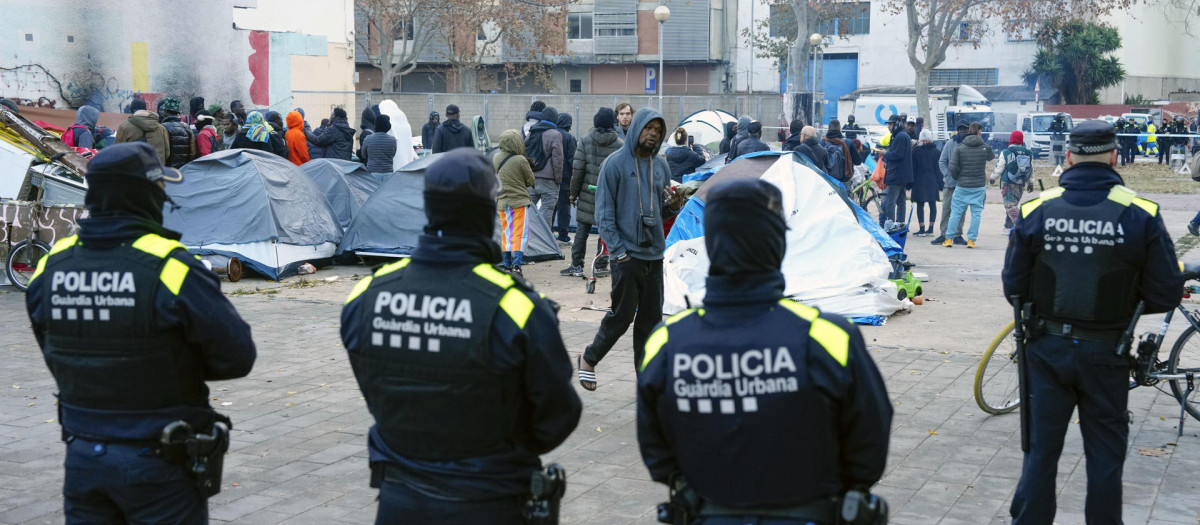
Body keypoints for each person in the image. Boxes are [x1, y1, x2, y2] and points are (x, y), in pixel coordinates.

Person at [340, 148, 581, 524]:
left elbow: (373, 382)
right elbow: (558, 415)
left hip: (399, 499)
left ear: (429, 207)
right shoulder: (514, 306)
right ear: (487, 212)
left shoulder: (368, 295)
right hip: (489, 501)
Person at [637, 178, 893, 525]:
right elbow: (869, 444)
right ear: (777, 243)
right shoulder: (828, 337)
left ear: (712, 242)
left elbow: (656, 449)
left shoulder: (667, 342)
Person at [25, 142, 256, 524]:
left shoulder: (51, 264)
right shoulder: (172, 266)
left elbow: (50, 344)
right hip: (158, 461)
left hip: (83, 455)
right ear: (148, 195)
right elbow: (237, 356)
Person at [1003, 120, 1181, 524]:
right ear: (1115, 156)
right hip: (1107, 350)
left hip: (1045, 350)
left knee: (1040, 453)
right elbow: (1166, 292)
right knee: (1105, 458)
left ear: (1067, 157)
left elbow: (1012, 285)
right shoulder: (1141, 212)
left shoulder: (1036, 208)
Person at [577, 108, 685, 391]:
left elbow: (658, 212)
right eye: (649, 128)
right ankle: (588, 358)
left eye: (658, 131)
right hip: (626, 256)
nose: (653, 135)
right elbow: (604, 213)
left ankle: (646, 383)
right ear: (637, 128)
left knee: (650, 322)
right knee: (622, 315)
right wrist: (618, 252)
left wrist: (672, 206)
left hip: (655, 255)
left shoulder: (661, 166)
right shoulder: (614, 164)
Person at [563, 108, 623, 278]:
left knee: (582, 228)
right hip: (609, 195)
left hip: (587, 193)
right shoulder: (619, 144)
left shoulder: (586, 140)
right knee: (605, 229)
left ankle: (576, 265)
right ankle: (601, 265)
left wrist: (573, 194)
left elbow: (578, 170)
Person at [943, 122, 994, 248]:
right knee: (976, 214)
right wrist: (984, 144)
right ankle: (971, 240)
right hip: (978, 186)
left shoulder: (960, 148)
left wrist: (956, 177)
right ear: (979, 132)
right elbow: (991, 157)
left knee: (955, 212)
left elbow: (952, 166)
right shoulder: (984, 146)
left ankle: (949, 238)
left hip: (962, 185)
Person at [495, 130, 537, 274]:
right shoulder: (520, 159)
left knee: (506, 233)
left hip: (501, 202)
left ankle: (506, 265)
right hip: (519, 202)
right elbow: (531, 180)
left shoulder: (495, 158)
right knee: (519, 233)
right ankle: (517, 265)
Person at [525, 107, 564, 231]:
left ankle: (527, 239)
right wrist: (558, 180)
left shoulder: (532, 131)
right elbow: (558, 160)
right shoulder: (555, 134)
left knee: (528, 209)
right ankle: (544, 242)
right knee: (546, 210)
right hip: (549, 180)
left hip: (531, 178)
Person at [931, 123, 969, 245]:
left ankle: (958, 234)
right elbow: (942, 161)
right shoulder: (950, 144)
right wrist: (947, 174)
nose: (963, 131)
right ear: (958, 130)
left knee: (961, 210)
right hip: (950, 184)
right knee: (947, 209)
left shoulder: (970, 144)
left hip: (964, 184)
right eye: (961, 129)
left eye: (965, 128)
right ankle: (944, 234)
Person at [991, 130, 1035, 231]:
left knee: (1010, 207)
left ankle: (1023, 225)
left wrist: (993, 178)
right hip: (1021, 183)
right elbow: (1031, 169)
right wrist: (1031, 183)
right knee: (1014, 204)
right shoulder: (1029, 152)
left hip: (1008, 184)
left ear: (1011, 140)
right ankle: (1008, 226)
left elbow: (999, 168)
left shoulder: (1006, 152)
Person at [876, 114, 913, 226]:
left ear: (896, 124)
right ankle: (900, 224)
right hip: (903, 175)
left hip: (896, 175)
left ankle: (891, 225)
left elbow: (897, 155)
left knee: (890, 202)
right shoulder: (903, 135)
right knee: (901, 201)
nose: (889, 127)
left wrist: (885, 153)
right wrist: (887, 151)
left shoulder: (900, 136)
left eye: (891, 124)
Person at [114, 99, 170, 164]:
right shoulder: (161, 128)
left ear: (132, 110)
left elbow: (117, 152)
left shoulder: (124, 127)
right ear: (146, 109)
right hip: (156, 170)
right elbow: (167, 153)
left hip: (133, 171)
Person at [911, 129, 943, 236]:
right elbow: (938, 169)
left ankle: (921, 228)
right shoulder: (937, 152)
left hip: (919, 181)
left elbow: (913, 168)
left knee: (920, 205)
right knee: (932, 204)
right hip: (932, 181)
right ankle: (931, 229)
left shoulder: (915, 152)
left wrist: (910, 183)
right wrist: (941, 184)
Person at [554, 113, 577, 243]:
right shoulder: (569, 137)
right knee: (564, 207)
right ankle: (563, 235)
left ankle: (548, 232)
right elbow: (573, 160)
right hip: (565, 179)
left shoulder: (550, 134)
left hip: (550, 178)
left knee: (551, 207)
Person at [158, 98, 197, 168]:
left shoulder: (162, 127)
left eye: (164, 111)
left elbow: (162, 151)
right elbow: (193, 152)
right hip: (183, 168)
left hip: (168, 168)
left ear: (166, 111)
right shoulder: (186, 127)